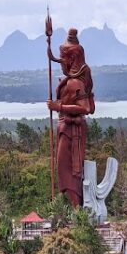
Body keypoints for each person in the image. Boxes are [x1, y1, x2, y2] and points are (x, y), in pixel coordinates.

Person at [46, 28, 94, 207]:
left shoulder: (75, 82)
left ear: (72, 59)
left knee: (70, 169)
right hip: (64, 128)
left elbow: (85, 108)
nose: (61, 63)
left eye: (63, 59)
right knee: (62, 167)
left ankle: (76, 207)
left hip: (72, 130)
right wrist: (48, 43)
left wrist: (59, 106)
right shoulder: (69, 80)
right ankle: (69, 206)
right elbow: (53, 57)